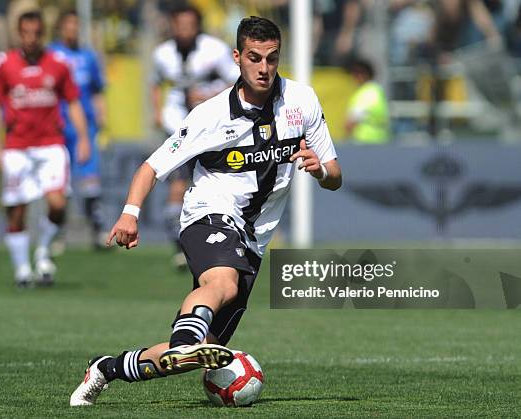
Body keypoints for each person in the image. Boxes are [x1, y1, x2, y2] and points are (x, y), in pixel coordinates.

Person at [70, 16, 342, 406]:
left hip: (255, 238)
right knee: (222, 285)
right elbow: (151, 167)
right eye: (254, 58)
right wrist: (129, 213)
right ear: (237, 57)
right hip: (208, 213)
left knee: (202, 353)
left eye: (271, 58)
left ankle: (105, 369)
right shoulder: (209, 116)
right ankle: (185, 341)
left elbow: (335, 175)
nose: (263, 68)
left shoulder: (302, 101)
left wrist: (320, 171)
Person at [0, 11, 90, 287]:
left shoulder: (58, 63)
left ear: (43, 34)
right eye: (25, 33)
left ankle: (43, 251)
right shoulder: (4, 63)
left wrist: (83, 138)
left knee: (57, 203)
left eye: (36, 33)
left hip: (50, 145)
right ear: (18, 34)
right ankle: (22, 269)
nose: (31, 39)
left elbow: (74, 101)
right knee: (16, 210)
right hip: (17, 147)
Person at [151, 4, 239, 269]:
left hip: (212, 127)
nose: (184, 30)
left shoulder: (215, 50)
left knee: (209, 180)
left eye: (190, 25)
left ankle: (216, 237)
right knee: (177, 182)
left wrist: (206, 95)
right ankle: (181, 244)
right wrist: (156, 112)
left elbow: (236, 81)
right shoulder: (162, 54)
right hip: (177, 124)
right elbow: (155, 83)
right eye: (179, 25)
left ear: (197, 26)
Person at [49, 10, 109, 251]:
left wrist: (102, 117)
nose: (73, 30)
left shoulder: (88, 56)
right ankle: (56, 233)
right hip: (57, 126)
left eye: (76, 25)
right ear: (61, 28)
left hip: (86, 126)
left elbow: (96, 90)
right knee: (59, 181)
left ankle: (97, 230)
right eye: (69, 25)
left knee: (89, 178)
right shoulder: (52, 55)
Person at [345, 58, 390, 144]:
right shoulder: (377, 91)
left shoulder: (365, 94)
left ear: (362, 74)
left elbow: (351, 122)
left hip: (365, 144)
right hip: (381, 141)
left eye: (355, 74)